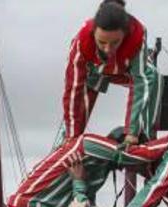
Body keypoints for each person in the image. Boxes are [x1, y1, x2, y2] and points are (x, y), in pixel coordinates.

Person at [62, 0, 160, 144]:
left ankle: (146, 137)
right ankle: (68, 139)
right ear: (93, 32)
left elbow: (140, 80)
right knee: (73, 124)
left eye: (115, 42)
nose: (107, 49)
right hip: (96, 71)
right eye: (102, 42)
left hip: (126, 71)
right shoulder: (81, 42)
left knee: (152, 75)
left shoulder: (137, 34)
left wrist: (132, 132)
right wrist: (72, 135)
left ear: (125, 34)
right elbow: (73, 88)